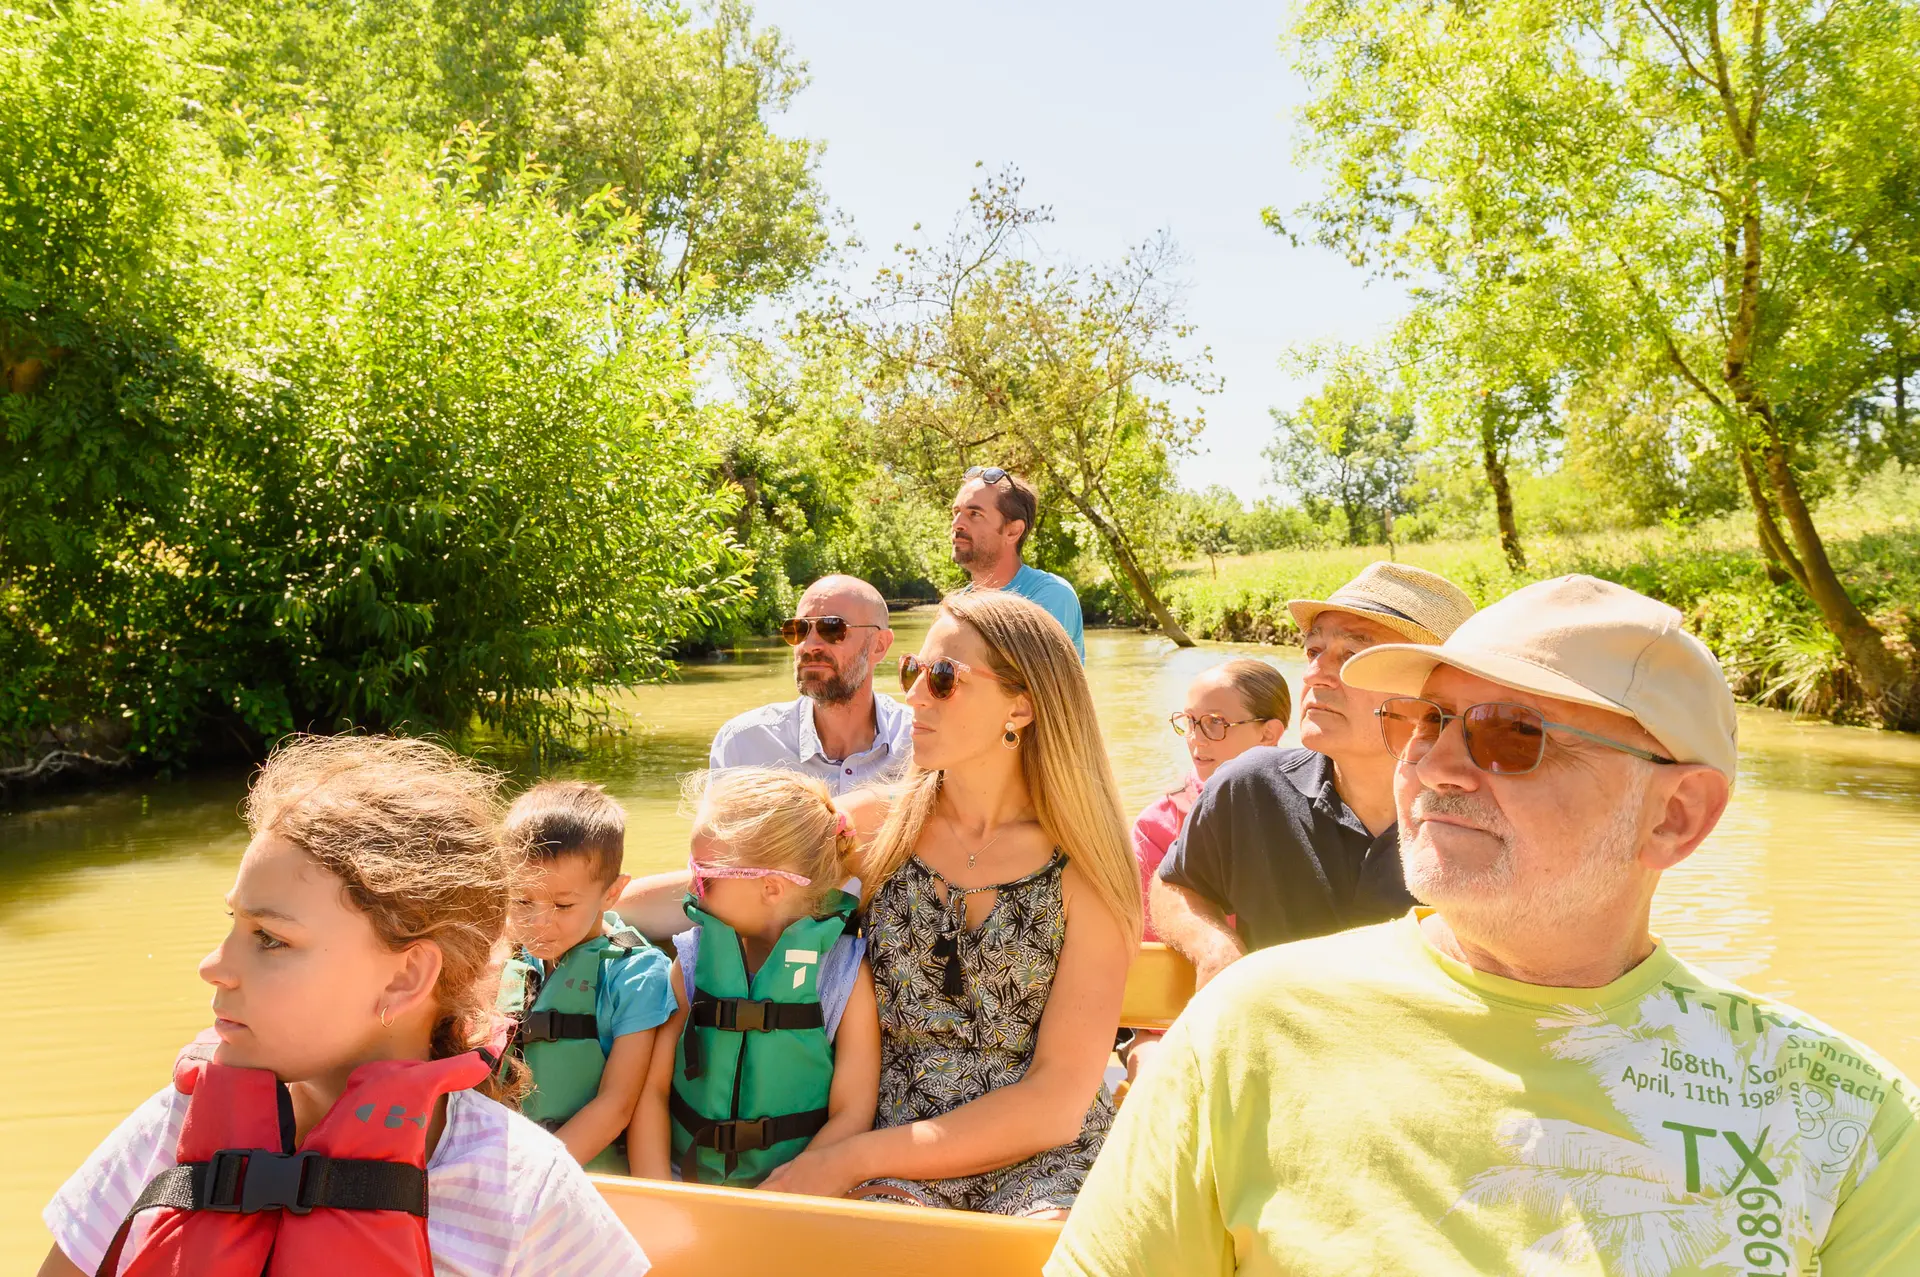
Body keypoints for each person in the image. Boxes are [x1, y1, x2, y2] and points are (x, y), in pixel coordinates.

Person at [1048, 575, 1920, 1276]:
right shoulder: (1244, 1029)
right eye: (1430, 720)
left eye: (1512, 735)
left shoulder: (1849, 1120)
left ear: (1676, 814)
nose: (1437, 764)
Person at [40, 735, 647, 1277]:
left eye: (269, 938)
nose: (213, 966)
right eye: (234, 923)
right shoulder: (175, 1124)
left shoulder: (523, 1190)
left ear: (405, 977)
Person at [618, 592, 1139, 1217]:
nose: (913, 696)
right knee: (881, 1243)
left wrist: (847, 1159)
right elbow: (729, 882)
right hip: (890, 1152)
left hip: (1038, 1158)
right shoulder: (878, 827)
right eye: (912, 670)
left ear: (1021, 706)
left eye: (942, 678)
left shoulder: (1089, 870)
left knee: (1043, 1242)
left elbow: (1056, 1102)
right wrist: (586, 909)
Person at [1150, 561, 1474, 987]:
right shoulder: (1249, 787)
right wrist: (1216, 951)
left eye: (1352, 657)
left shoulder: (1485, 816)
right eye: (1314, 651)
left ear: (1438, 690)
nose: (1313, 675)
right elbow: (1175, 886)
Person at [631, 768, 880, 1186]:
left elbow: (852, 1114)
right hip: (681, 1180)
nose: (692, 886)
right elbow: (651, 1092)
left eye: (705, 877)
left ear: (771, 888)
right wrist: (659, 1192)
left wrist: (780, 1198)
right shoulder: (691, 960)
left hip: (797, 1195)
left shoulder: (845, 977)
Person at [498, 780, 675, 1175]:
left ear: (612, 893)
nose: (538, 922)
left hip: (577, 1179)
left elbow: (617, 1104)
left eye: (563, 905)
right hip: (499, 1162)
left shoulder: (634, 974)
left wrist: (531, 1179)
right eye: (522, 900)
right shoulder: (507, 956)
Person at [1131, 659, 1291, 943]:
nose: (1196, 739)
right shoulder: (1157, 827)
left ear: (1268, 734)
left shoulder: (1312, 812)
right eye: (1189, 721)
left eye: (1215, 722)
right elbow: (1146, 941)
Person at [708, 574, 910, 795]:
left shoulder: (917, 743)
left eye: (832, 628)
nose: (809, 645)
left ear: (879, 645)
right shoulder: (744, 745)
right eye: (799, 629)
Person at [951, 465, 1085, 661]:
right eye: (956, 512)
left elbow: (1024, 679)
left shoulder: (1051, 596)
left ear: (1013, 531)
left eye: (975, 514)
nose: (956, 524)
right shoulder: (956, 607)